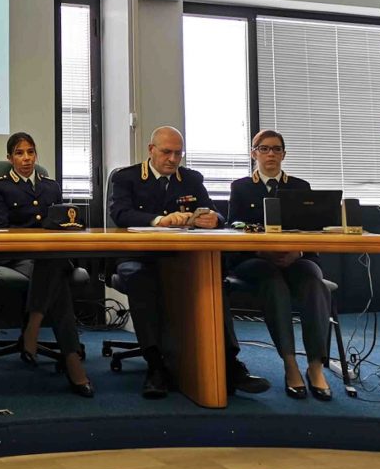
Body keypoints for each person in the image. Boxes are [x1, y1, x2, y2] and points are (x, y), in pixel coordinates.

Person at [108, 125, 270, 399]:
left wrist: (213, 220)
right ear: (151, 150)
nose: (173, 159)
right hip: (140, 257)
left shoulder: (191, 179)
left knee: (211, 278)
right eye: (166, 152)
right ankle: (155, 365)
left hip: (183, 258)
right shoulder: (128, 178)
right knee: (139, 279)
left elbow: (217, 215)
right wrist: (159, 220)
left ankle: (230, 363)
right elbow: (120, 214)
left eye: (178, 153)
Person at [227, 129, 332, 400]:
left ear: (284, 154)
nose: (270, 154)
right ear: (254, 153)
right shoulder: (241, 187)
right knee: (273, 283)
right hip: (255, 260)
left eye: (276, 149)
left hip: (297, 258)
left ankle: (315, 365)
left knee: (314, 282)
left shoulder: (300, 186)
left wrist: (298, 251)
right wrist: (261, 250)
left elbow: (313, 231)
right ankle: (290, 364)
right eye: (264, 149)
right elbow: (233, 228)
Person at [0, 132, 93, 397]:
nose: (26, 158)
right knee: (57, 278)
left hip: (53, 257)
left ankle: (33, 325)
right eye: (19, 153)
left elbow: (62, 224)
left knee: (51, 261)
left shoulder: (51, 186)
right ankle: (72, 360)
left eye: (31, 152)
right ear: (9, 158)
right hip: (21, 257)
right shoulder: (0, 186)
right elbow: (0, 228)